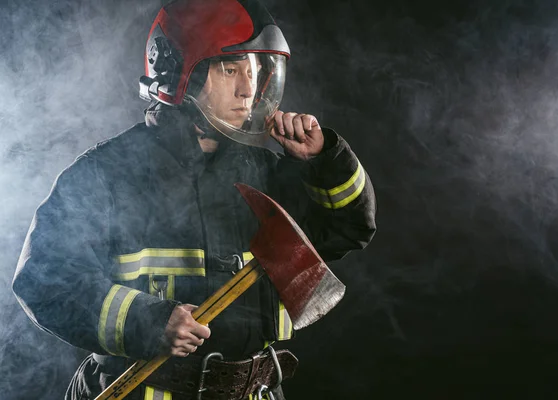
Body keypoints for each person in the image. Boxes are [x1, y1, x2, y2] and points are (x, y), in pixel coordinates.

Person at [12, 0, 377, 399]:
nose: (247, 89)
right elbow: (44, 281)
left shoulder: (269, 174)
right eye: (229, 68)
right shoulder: (105, 175)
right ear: (178, 71)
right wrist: (144, 321)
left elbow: (350, 229)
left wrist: (325, 163)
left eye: (254, 70)